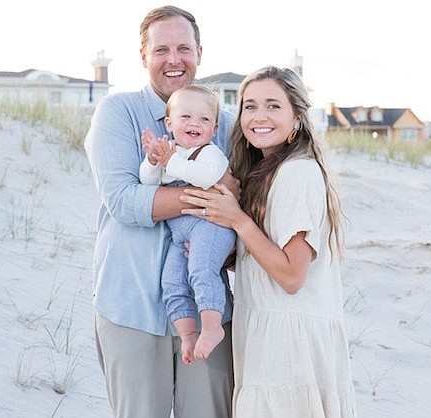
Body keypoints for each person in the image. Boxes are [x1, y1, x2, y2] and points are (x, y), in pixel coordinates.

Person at [84, 6, 238, 418]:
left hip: (209, 312)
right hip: (130, 305)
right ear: (144, 55)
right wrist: (209, 193)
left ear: (200, 53)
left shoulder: (226, 123)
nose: (174, 60)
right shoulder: (117, 113)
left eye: (184, 48)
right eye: (162, 49)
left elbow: (244, 203)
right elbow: (124, 201)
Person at [180, 66, 358, 417]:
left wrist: (237, 220)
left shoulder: (297, 173)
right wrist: (225, 253)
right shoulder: (270, 172)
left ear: (297, 118)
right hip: (268, 341)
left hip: (290, 351)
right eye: (250, 106)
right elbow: (268, 253)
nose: (259, 116)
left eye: (273, 106)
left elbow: (292, 276)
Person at [139, 85, 236, 365]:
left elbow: (205, 178)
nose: (195, 123)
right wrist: (153, 160)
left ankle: (212, 327)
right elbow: (148, 183)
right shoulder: (172, 153)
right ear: (169, 123)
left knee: (201, 271)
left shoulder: (209, 154)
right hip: (180, 233)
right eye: (186, 117)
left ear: (214, 128)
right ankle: (188, 333)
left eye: (204, 119)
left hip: (210, 226)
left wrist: (171, 162)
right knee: (171, 281)